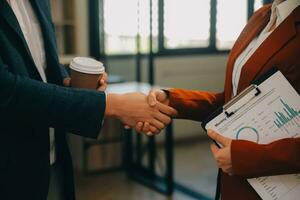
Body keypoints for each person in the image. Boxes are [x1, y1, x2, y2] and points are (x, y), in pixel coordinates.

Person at [0, 0, 177, 200]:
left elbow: (43, 61)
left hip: (52, 156)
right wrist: (112, 105)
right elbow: (7, 90)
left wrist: (70, 84)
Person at [138, 0, 300, 199]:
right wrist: (173, 100)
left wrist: (244, 158)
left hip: (276, 184)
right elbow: (235, 100)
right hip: (234, 182)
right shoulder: (261, 17)